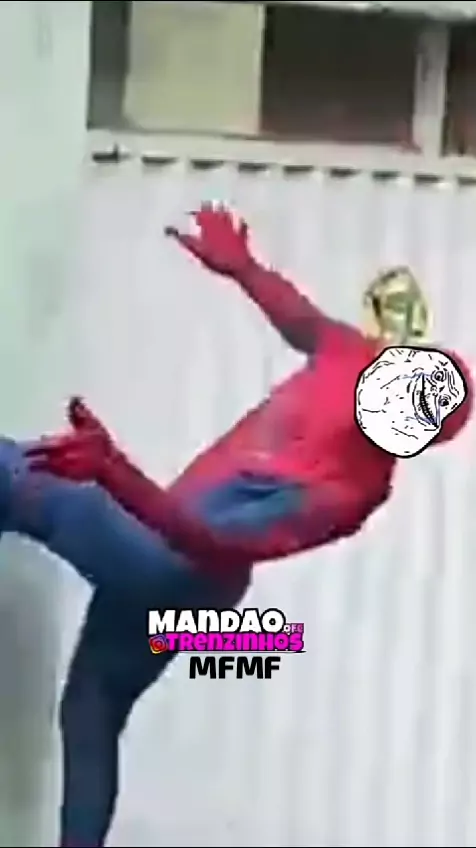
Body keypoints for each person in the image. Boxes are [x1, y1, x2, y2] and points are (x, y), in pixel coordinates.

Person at [0, 205, 472, 847]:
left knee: (15, 475)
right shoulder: (352, 356)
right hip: (180, 567)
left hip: (180, 576)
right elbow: (300, 320)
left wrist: (111, 471)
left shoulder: (352, 492)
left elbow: (208, 544)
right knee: (92, 711)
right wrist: (243, 268)